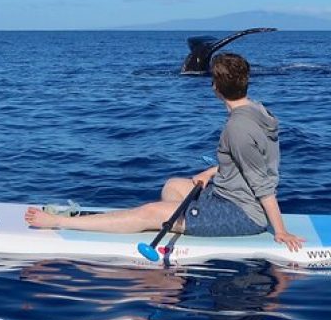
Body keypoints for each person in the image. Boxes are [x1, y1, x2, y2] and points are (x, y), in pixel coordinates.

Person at [24, 53, 303, 251]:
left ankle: (58, 221)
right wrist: (211, 172)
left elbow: (263, 184)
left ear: (215, 87)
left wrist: (280, 231)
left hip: (242, 213)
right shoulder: (256, 110)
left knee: (149, 213)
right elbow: (250, 160)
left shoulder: (238, 128)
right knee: (173, 184)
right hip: (225, 196)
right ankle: (185, 227)